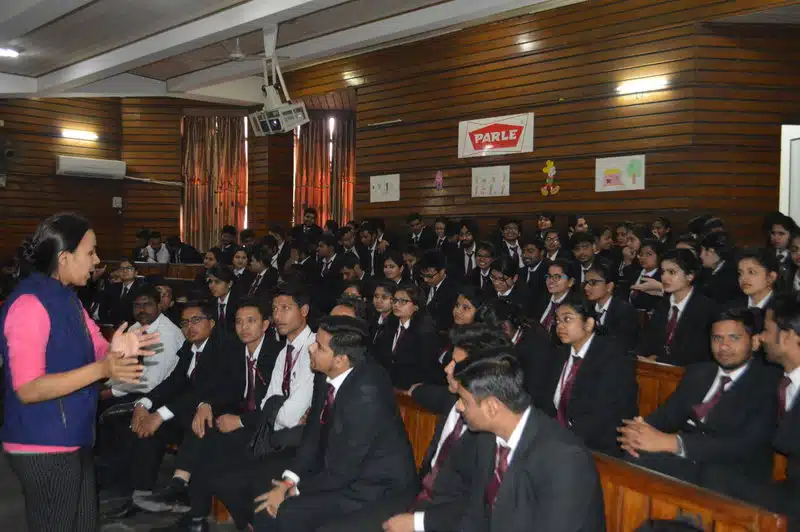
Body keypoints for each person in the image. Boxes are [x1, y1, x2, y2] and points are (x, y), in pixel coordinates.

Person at [0, 213, 158, 532]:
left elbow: (99, 348)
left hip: (73, 435)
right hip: (43, 442)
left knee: (83, 524)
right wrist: (102, 368)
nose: (97, 260)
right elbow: (28, 388)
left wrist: (119, 350)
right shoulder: (30, 304)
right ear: (64, 257)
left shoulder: (69, 299)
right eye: (91, 252)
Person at [253, 315, 418, 532]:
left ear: (340, 360)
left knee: (285, 512)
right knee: (263, 499)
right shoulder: (324, 372)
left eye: (319, 347)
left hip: (376, 487)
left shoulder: (368, 393)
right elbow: (312, 434)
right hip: (339, 472)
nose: (311, 348)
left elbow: (344, 470)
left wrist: (292, 492)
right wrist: (289, 481)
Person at [619, 308, 779, 486]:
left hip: (730, 471)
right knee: (632, 453)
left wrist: (674, 443)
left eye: (734, 338)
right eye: (717, 338)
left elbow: (743, 445)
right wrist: (637, 431)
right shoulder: (699, 372)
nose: (724, 346)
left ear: (754, 342)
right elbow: (667, 416)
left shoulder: (767, 384)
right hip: (688, 461)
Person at [447, 355, 606, 532]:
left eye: (464, 401)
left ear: (491, 407)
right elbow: (475, 516)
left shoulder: (565, 459)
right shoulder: (487, 440)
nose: (459, 406)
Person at [384, 324, 510, 532]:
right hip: (416, 497)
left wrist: (417, 523)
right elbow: (430, 394)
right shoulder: (451, 398)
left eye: (456, 364)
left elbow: (476, 508)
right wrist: (415, 390)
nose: (447, 369)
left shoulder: (491, 431)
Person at [104, 302, 225, 518]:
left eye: (196, 320)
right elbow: (174, 381)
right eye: (185, 323)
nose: (190, 327)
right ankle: (141, 495)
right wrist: (144, 404)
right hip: (187, 409)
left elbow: (203, 391)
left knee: (192, 423)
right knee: (143, 425)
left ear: (212, 323)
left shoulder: (221, 347)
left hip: (215, 412)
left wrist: (160, 414)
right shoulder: (189, 347)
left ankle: (179, 490)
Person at [701, 294, 800, 523]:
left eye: (766, 330)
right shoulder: (781, 381)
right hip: (790, 487)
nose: (761, 337)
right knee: (715, 476)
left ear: (787, 337)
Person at [536, 296, 637, 455]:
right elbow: (544, 400)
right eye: (558, 320)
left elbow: (604, 415)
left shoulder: (613, 359)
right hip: (559, 438)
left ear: (589, 324)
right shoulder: (558, 354)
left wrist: (561, 440)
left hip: (597, 446)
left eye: (567, 319)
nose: (560, 326)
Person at [636, 249, 717, 366]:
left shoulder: (706, 309)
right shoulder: (662, 304)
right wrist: (640, 357)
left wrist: (658, 361)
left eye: (672, 272)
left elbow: (697, 353)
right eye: (663, 272)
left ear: (690, 276)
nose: (665, 277)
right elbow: (647, 340)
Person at [375, 283, 443, 389]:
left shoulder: (425, 332)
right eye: (395, 300)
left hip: (410, 389)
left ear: (416, 306)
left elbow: (427, 367)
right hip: (385, 385)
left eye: (403, 301)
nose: (396, 305)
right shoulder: (388, 326)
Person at [583, 263, 639, 354]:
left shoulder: (624, 310)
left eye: (593, 282)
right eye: (586, 283)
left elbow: (623, 345)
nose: (586, 288)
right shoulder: (585, 308)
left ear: (609, 286)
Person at [533, 259, 575, 337]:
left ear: (571, 281)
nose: (550, 281)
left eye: (557, 277)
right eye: (549, 276)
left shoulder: (574, 307)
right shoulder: (540, 298)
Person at [699, 231, 741, 305]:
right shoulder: (710, 272)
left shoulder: (727, 278)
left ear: (711, 251)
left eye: (702, 250)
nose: (700, 256)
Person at [421, 251, 459, 332]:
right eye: (423, 275)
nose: (425, 279)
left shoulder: (453, 291)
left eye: (430, 276)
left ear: (442, 271)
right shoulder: (423, 287)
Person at [100, 258, 144, 326]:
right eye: (121, 268)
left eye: (128, 268)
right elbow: (103, 311)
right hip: (111, 326)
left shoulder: (142, 290)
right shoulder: (112, 288)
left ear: (136, 272)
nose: (124, 271)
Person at [628, 239, 664, 313]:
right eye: (641, 254)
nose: (643, 258)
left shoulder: (662, 277)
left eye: (648, 254)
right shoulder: (635, 274)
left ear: (659, 256)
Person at [207, 266, 238, 332]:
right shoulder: (210, 303)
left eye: (217, 282)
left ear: (229, 283)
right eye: (210, 282)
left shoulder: (239, 303)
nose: (212, 286)